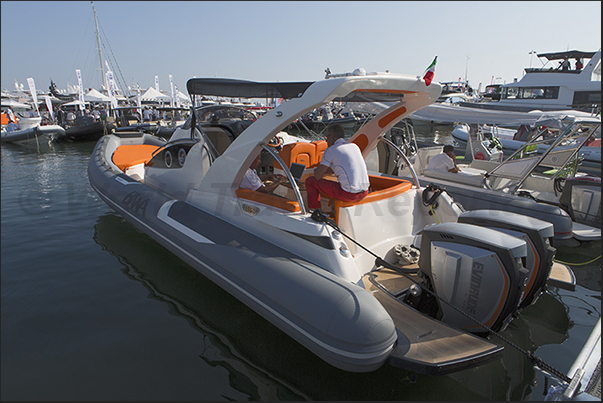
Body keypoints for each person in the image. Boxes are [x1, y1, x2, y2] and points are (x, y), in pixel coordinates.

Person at [304, 123, 370, 211]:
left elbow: (317, 176)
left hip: (349, 194)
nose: (326, 141)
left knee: (310, 181)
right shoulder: (354, 146)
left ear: (332, 136)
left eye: (327, 137)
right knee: (338, 183)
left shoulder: (331, 150)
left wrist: (316, 170)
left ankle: (315, 211)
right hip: (365, 192)